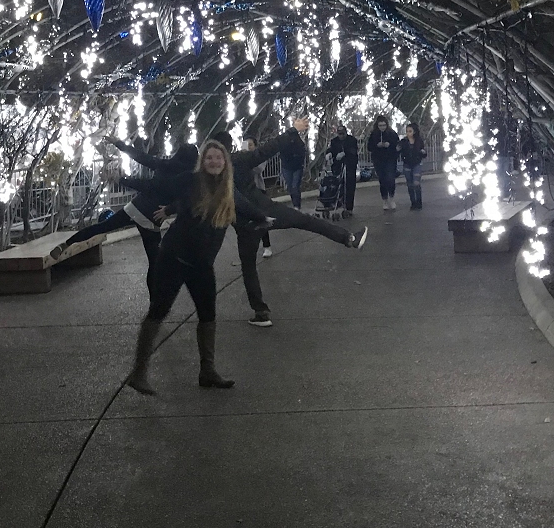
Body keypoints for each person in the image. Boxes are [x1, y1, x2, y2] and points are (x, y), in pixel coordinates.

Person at [125, 140, 272, 395]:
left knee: (208, 315)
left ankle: (208, 371)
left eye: (218, 158)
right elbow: (157, 185)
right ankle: (138, 373)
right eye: (209, 158)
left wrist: (265, 218)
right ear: (203, 162)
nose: (214, 162)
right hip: (173, 259)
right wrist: (122, 178)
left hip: (201, 265)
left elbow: (247, 207)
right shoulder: (190, 181)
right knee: (158, 311)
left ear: (225, 162)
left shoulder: (228, 190)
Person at [212, 121, 369, 328]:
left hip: (245, 226)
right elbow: (266, 151)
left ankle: (261, 312)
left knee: (249, 268)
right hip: (266, 212)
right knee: (306, 221)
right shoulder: (238, 160)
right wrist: (293, 131)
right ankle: (348, 238)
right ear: (229, 146)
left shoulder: (211, 176)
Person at [50, 140, 197, 298]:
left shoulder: (163, 165)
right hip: (151, 218)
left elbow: (141, 157)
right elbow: (187, 199)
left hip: (135, 208)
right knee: (154, 264)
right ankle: (154, 304)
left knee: (102, 227)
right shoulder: (187, 177)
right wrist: (170, 210)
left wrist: (120, 146)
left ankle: (66, 243)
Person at [244, 137, 274, 257]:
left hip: (258, 190)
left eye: (250, 145)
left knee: (261, 218)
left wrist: (247, 160)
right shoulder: (241, 158)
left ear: (255, 146)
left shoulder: (259, 157)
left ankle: (267, 246)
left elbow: (258, 169)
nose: (248, 147)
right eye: (246, 144)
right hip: (245, 191)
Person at [368, 115, 400, 210]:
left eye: (384, 125)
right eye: (380, 125)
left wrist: (389, 146)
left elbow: (397, 146)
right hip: (378, 160)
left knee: (390, 178)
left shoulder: (392, 134)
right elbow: (369, 147)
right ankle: (385, 200)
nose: (382, 127)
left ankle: (392, 197)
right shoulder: (374, 135)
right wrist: (377, 145)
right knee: (382, 180)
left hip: (390, 159)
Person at [326, 123, 359, 214]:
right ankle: (337, 203)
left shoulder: (352, 140)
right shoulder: (334, 141)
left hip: (349, 165)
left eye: (342, 134)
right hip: (338, 166)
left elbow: (353, 151)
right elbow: (331, 149)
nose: (341, 136)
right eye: (339, 134)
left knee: (349, 186)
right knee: (337, 185)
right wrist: (328, 153)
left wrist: (345, 153)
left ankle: (349, 207)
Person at [399, 121, 428, 211]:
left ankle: (419, 201)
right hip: (407, 164)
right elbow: (399, 150)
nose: (408, 133)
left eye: (410, 131)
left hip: (416, 164)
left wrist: (422, 153)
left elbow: (423, 152)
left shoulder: (419, 141)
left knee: (416, 183)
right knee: (410, 184)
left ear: (414, 132)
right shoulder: (403, 141)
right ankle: (413, 202)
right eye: (407, 131)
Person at [277, 127, 307, 208]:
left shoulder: (300, 143)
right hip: (287, 167)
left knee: (295, 186)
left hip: (297, 167)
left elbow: (302, 154)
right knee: (290, 187)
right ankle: (295, 204)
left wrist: (299, 161)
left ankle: (297, 206)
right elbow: (282, 155)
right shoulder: (284, 143)